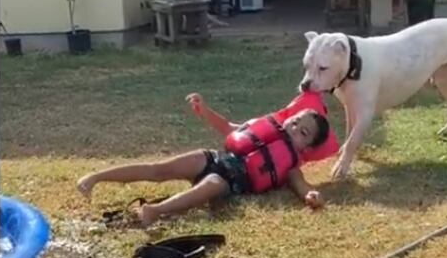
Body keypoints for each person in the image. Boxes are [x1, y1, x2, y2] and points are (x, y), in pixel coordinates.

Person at [77, 93, 330, 226]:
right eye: (295, 121)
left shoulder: (292, 166)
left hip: (230, 181)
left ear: (307, 147)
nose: (294, 128)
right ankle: (95, 177)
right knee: (159, 169)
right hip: (214, 158)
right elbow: (228, 128)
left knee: (210, 185)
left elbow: (303, 187)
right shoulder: (261, 125)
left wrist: (311, 196)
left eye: (303, 132)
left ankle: (156, 211)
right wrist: (205, 110)